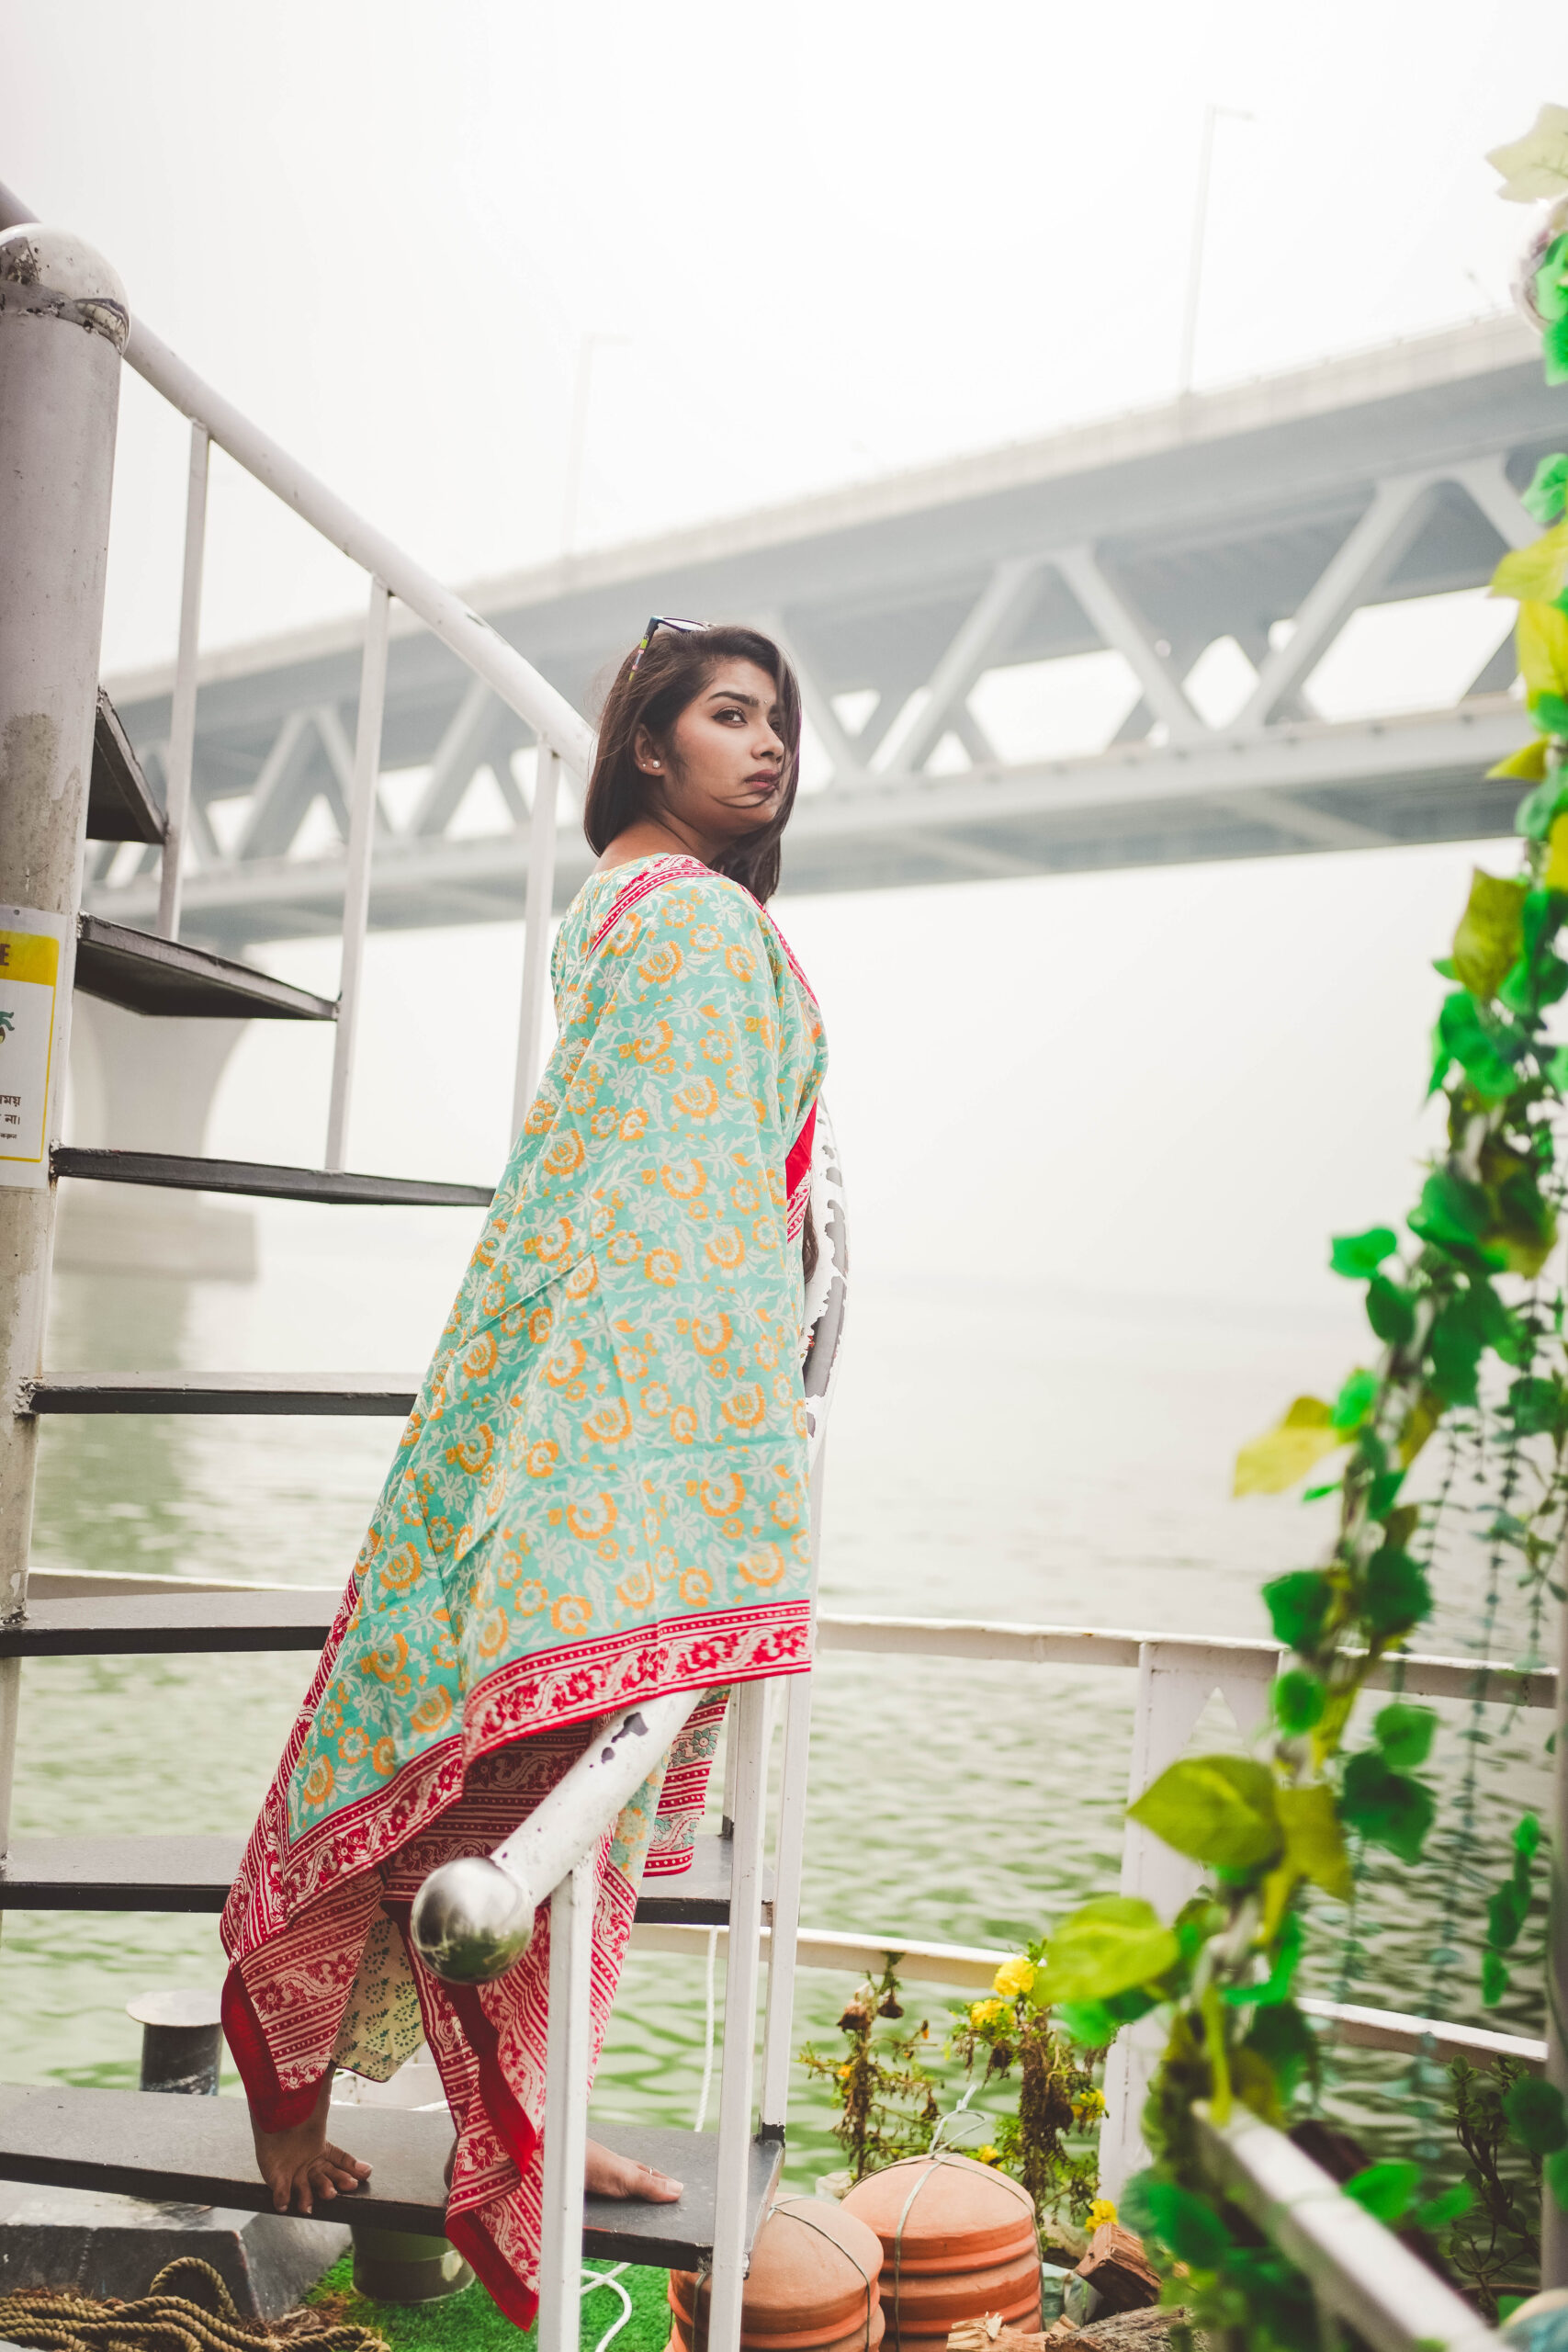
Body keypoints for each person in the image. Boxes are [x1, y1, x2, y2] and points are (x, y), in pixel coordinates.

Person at [220, 620, 829, 2325]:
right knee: (520, 1773)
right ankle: (341, 2088)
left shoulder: (630, 909)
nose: (768, 747)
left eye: (779, 722)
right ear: (646, 745)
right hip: (622, 1419)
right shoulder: (690, 919)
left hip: (573, 1393)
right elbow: (684, 1210)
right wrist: (716, 1454)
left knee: (528, 1781)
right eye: (730, 716)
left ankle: (529, 2123)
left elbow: (645, 1180)